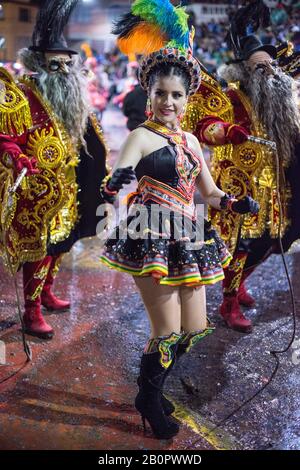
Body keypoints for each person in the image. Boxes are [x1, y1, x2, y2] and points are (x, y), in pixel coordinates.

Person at [99, 0, 259, 440]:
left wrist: (235, 203)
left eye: (176, 95)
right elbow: (115, 180)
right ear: (148, 95)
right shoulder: (140, 136)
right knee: (167, 331)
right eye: (160, 94)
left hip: (189, 236)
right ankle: (148, 399)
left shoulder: (190, 138)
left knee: (194, 329)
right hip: (150, 234)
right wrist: (117, 181)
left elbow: (208, 191)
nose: (168, 102)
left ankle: (154, 386)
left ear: (187, 99)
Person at [182, 0, 300, 333]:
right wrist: (226, 132)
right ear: (245, 69)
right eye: (261, 67)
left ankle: (239, 284)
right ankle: (228, 302)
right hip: (237, 189)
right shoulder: (232, 98)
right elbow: (206, 125)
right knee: (239, 247)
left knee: (265, 244)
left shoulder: (281, 101)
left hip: (273, 187)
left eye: (271, 66)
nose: (270, 72)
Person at [0, 0, 109, 339]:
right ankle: (31, 309)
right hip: (36, 190)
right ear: (39, 64)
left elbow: (88, 138)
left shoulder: (75, 99)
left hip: (69, 187)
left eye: (66, 63)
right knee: (40, 248)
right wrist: (17, 157)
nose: (63, 70)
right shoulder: (23, 97)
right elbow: (6, 139)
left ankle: (46, 291)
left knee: (63, 242)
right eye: (55, 64)